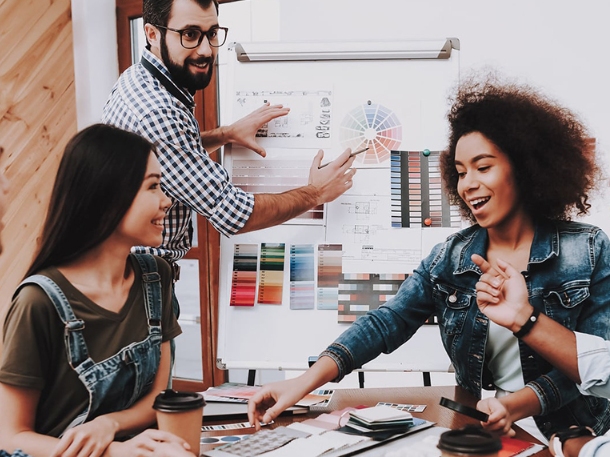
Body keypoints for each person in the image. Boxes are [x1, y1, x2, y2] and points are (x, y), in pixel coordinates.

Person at [247, 75, 610, 442]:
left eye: (483, 168)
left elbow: (596, 365)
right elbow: (387, 322)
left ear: (525, 167)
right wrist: (304, 382)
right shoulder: (450, 257)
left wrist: (516, 404)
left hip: (579, 435)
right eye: (461, 172)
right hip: (485, 429)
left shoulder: (589, 251)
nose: (468, 184)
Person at [102, 0, 357, 290]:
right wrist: (316, 192)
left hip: (128, 275)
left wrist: (226, 134)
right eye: (190, 34)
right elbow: (234, 213)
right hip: (141, 287)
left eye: (212, 33)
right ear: (151, 33)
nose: (206, 50)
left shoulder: (137, 78)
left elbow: (169, 151)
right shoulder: (157, 111)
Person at [0, 124, 197, 457]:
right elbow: (11, 436)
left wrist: (110, 425)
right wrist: (113, 452)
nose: (167, 201)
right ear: (109, 197)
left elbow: (157, 397)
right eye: (153, 187)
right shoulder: (38, 302)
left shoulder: (156, 277)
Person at [474, 256, 610, 457]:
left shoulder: (589, 246)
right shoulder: (451, 252)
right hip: (504, 417)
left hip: (570, 424)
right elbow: (602, 370)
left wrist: (572, 444)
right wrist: (521, 316)